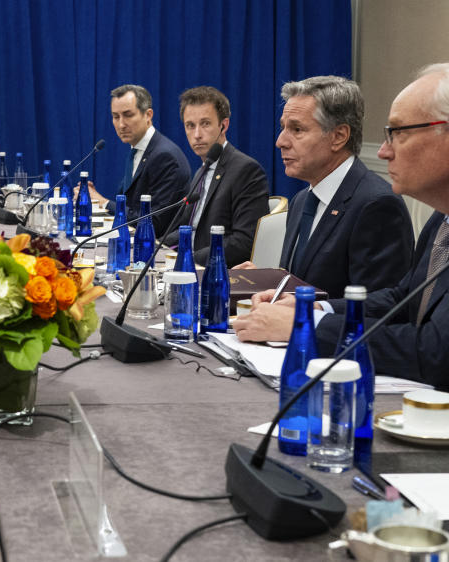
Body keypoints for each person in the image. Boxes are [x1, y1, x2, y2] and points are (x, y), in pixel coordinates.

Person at [234, 64, 449, 389]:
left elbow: (435, 352)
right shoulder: (440, 220)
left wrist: (304, 326)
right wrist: (312, 307)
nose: (383, 150)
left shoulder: (377, 204)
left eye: (398, 133)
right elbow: (400, 299)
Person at [234, 75, 413, 297]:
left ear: (339, 136)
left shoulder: (377, 205)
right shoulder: (302, 199)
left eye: (297, 129)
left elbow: (377, 310)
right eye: (283, 128)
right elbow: (301, 284)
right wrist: (266, 282)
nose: (281, 141)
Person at [162, 86, 269, 266]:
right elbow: (189, 228)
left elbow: (244, 242)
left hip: (215, 273)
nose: (197, 135)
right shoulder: (202, 170)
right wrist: (157, 245)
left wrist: (189, 258)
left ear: (223, 125)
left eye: (205, 124)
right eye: (190, 126)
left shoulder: (246, 170)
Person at [83, 84, 190, 236]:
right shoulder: (138, 149)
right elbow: (130, 206)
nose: (121, 124)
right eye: (116, 116)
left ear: (148, 115)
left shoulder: (165, 156)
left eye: (128, 115)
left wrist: (103, 203)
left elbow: (153, 223)